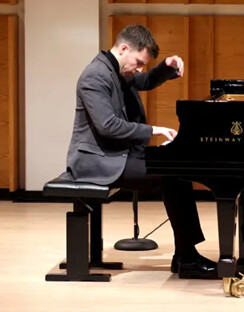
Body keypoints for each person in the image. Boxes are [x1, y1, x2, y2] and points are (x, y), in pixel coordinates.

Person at [60, 24, 216, 279]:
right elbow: (107, 125)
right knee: (172, 177)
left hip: (115, 154)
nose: (140, 69)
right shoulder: (95, 76)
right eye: (139, 62)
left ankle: (185, 255)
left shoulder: (116, 69)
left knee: (177, 172)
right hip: (95, 161)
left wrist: (167, 65)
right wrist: (152, 129)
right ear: (123, 49)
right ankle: (187, 257)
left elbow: (144, 80)